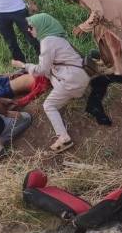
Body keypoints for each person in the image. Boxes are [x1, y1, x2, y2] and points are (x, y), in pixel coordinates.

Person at [11, 13, 89, 153]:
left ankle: (64, 137)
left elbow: (41, 69)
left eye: (31, 27)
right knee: (52, 81)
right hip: (80, 79)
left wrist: (23, 66)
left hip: (70, 81)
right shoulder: (59, 39)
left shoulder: (47, 42)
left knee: (49, 105)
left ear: (41, 26)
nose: (29, 30)